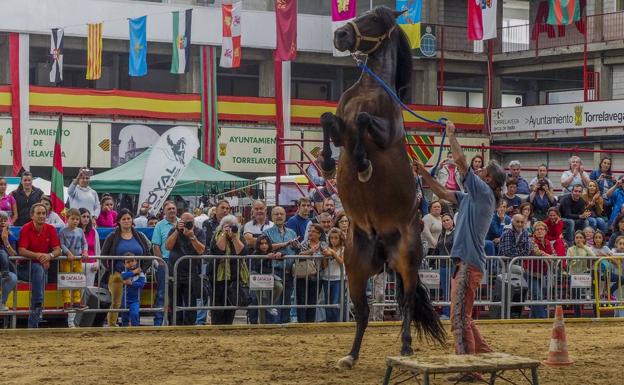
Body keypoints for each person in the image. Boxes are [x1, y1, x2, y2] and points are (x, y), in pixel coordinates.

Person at [414, 120, 506, 375]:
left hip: (467, 262)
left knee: (459, 317)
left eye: (485, 172)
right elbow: (443, 192)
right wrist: (423, 174)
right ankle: (484, 358)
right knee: (463, 316)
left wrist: (453, 134)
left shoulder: (483, 193)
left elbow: (462, 163)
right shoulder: (476, 197)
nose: (481, 174)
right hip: (466, 262)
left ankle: (469, 368)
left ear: (489, 179)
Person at [101, 209, 151, 327]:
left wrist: (141, 270)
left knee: (135, 301)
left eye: (129, 218)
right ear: (118, 221)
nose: (127, 221)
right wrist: (111, 269)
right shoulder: (112, 236)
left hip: (137, 275)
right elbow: (103, 255)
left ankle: (133, 324)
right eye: (124, 219)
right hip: (118, 275)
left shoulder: (139, 236)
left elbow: (148, 255)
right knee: (116, 302)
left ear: (132, 220)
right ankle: (112, 325)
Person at [17, 203, 62, 327]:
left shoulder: (51, 229)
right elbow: (21, 250)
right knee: (38, 269)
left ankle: (35, 316)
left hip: (41, 268)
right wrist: (40, 256)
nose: (42, 216)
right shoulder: (26, 228)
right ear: (32, 215)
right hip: (24, 268)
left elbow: (58, 250)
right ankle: (37, 311)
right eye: (38, 213)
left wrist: (49, 256)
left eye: (44, 213)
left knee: (39, 271)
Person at [165, 211, 206, 326]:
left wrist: (192, 236)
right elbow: (167, 246)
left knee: (190, 304)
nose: (188, 224)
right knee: (173, 302)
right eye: (185, 222)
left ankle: (189, 326)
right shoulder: (174, 230)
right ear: (180, 221)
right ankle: (174, 325)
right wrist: (177, 231)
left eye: (190, 222)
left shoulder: (199, 232)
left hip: (191, 273)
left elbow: (201, 250)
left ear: (194, 222)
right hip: (174, 271)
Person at [263, 206, 299, 324]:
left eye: (281, 214)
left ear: (285, 216)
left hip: (289, 272)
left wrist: (295, 246)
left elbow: (297, 251)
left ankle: (285, 324)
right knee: (274, 301)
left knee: (287, 300)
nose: (279, 216)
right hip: (274, 271)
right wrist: (284, 244)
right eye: (276, 214)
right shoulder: (266, 233)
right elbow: (265, 248)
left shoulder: (292, 233)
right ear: (271, 217)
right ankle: (273, 325)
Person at [209, 214, 247, 325]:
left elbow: (243, 253)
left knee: (231, 308)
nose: (230, 228)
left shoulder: (239, 236)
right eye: (227, 226)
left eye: (233, 226)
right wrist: (224, 235)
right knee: (217, 309)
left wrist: (234, 237)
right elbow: (218, 251)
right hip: (218, 278)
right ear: (222, 226)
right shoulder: (217, 235)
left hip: (234, 278)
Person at [151, 200, 178, 326]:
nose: (172, 210)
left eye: (173, 208)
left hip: (179, 262)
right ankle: (158, 322)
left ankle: (174, 321)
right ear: (164, 211)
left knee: (177, 293)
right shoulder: (159, 225)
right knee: (162, 293)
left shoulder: (181, 223)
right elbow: (156, 245)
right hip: (165, 262)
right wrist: (161, 262)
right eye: (169, 209)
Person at [59, 208, 89, 312]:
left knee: (78, 279)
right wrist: (68, 252)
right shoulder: (63, 231)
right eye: (73, 219)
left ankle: (77, 301)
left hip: (77, 259)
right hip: (66, 260)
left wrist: (85, 251)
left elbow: (84, 243)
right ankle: (66, 302)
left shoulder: (80, 231)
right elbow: (61, 244)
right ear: (67, 218)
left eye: (77, 219)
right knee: (66, 279)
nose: (75, 221)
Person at [249, 235, 284, 324]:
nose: (264, 245)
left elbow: (281, 256)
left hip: (269, 277)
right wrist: (266, 257)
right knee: (261, 301)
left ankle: (270, 305)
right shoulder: (255, 253)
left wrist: (280, 254)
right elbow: (256, 265)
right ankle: (263, 324)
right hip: (257, 278)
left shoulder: (271, 251)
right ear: (258, 245)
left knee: (279, 287)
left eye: (266, 243)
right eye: (261, 244)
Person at [527, 221, 556, 318]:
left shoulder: (548, 242)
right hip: (530, 272)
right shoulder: (531, 240)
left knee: (537, 296)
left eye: (542, 229)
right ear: (534, 232)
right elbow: (536, 251)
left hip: (542, 273)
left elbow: (554, 254)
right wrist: (547, 255)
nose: (539, 231)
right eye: (537, 229)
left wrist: (552, 257)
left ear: (546, 231)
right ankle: (543, 318)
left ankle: (532, 319)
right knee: (537, 295)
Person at [297, 223, 325, 323]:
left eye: (313, 231)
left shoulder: (323, 244)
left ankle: (310, 322)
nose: (310, 233)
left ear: (319, 234)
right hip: (303, 276)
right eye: (309, 231)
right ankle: (301, 322)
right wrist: (311, 251)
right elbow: (299, 254)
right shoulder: (304, 243)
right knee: (301, 300)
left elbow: (326, 257)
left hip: (317, 277)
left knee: (313, 301)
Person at [566, 231, 595, 317]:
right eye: (577, 237)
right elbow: (568, 262)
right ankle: (577, 315)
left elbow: (593, 256)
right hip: (573, 275)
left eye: (581, 237)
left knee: (588, 293)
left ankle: (594, 312)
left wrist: (584, 247)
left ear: (584, 239)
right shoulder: (570, 249)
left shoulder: (586, 248)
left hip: (584, 274)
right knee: (576, 296)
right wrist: (575, 261)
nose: (578, 239)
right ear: (574, 239)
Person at [432, 213, 456, 319]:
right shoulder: (442, 235)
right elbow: (437, 250)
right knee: (445, 290)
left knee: (454, 290)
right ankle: (447, 312)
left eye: (448, 220)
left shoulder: (456, 233)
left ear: (452, 221)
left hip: (454, 265)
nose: (446, 222)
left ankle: (454, 313)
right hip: (443, 265)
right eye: (444, 221)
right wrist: (430, 261)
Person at [120, 254, 146, 327]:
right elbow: (123, 276)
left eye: (132, 261)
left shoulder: (141, 273)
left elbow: (141, 284)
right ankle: (124, 329)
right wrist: (134, 272)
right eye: (128, 262)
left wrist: (131, 283)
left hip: (135, 299)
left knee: (135, 314)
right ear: (124, 264)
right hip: (124, 299)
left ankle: (135, 329)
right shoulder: (124, 272)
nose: (131, 263)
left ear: (136, 261)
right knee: (124, 316)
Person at [0, 212, 17, 311]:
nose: (2, 222)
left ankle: (2, 303)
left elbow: (14, 255)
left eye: (4, 220)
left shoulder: (11, 235)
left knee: (13, 278)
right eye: (0, 220)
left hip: (4, 272)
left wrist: (6, 241)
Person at [79, 208, 100, 287]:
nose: (86, 219)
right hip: (77, 265)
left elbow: (97, 249)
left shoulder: (93, 231)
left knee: (88, 291)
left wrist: (97, 263)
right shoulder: (73, 231)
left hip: (91, 266)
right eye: (83, 216)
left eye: (88, 217)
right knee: (77, 293)